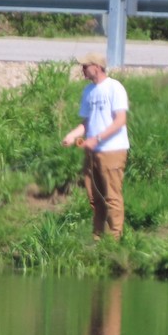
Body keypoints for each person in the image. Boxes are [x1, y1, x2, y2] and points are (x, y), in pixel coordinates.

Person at [61, 52, 130, 240]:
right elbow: (87, 122)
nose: (82, 69)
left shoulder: (115, 88)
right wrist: (72, 135)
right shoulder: (88, 92)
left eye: (85, 66)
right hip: (92, 153)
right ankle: (98, 239)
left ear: (97, 67)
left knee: (112, 197)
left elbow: (120, 121)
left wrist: (97, 139)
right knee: (94, 198)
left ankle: (114, 241)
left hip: (112, 151)